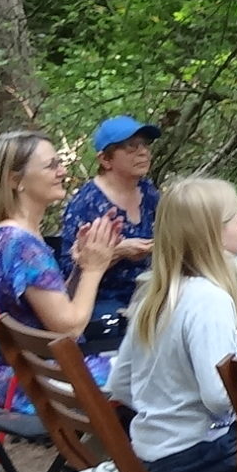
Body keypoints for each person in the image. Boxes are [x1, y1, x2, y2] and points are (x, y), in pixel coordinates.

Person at [104, 177, 237, 472]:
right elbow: (220, 398)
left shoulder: (152, 294)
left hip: (152, 455)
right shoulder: (209, 300)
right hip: (197, 457)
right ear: (215, 234)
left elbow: (120, 384)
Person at [0, 130, 122, 414]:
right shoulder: (24, 246)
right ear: (15, 181)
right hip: (37, 385)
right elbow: (70, 328)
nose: (62, 171)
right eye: (51, 165)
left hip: (2, 379)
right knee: (147, 374)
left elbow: (45, 313)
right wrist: (94, 268)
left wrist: (79, 266)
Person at [59, 115, 160, 351]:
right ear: (106, 159)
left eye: (145, 145)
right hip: (103, 302)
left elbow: (175, 227)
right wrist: (117, 252)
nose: (143, 152)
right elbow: (69, 272)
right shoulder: (88, 203)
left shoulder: (147, 191)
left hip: (147, 293)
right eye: (131, 147)